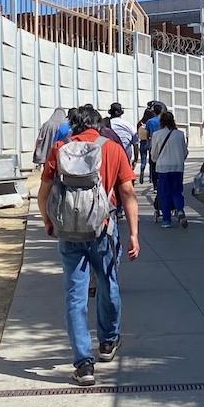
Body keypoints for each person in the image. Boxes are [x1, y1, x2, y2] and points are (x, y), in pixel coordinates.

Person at [38, 105, 140, 386]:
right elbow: (128, 193)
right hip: (103, 230)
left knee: (75, 295)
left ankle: (83, 363)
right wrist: (133, 233)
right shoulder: (113, 149)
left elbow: (44, 191)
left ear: (74, 125)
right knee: (108, 283)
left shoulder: (61, 147)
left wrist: (48, 221)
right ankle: (107, 342)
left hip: (70, 233)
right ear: (99, 125)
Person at [150, 110, 189, 229]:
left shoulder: (157, 134)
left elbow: (154, 155)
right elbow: (185, 152)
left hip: (163, 168)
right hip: (177, 167)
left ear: (161, 122)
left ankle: (166, 220)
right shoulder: (180, 134)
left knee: (165, 193)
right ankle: (180, 210)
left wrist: (157, 160)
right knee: (177, 191)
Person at [135, 109, 154, 184]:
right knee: (151, 161)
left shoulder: (139, 123)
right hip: (150, 141)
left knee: (143, 160)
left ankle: (142, 172)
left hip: (142, 142)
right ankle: (151, 177)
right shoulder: (150, 123)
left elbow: (137, 133)